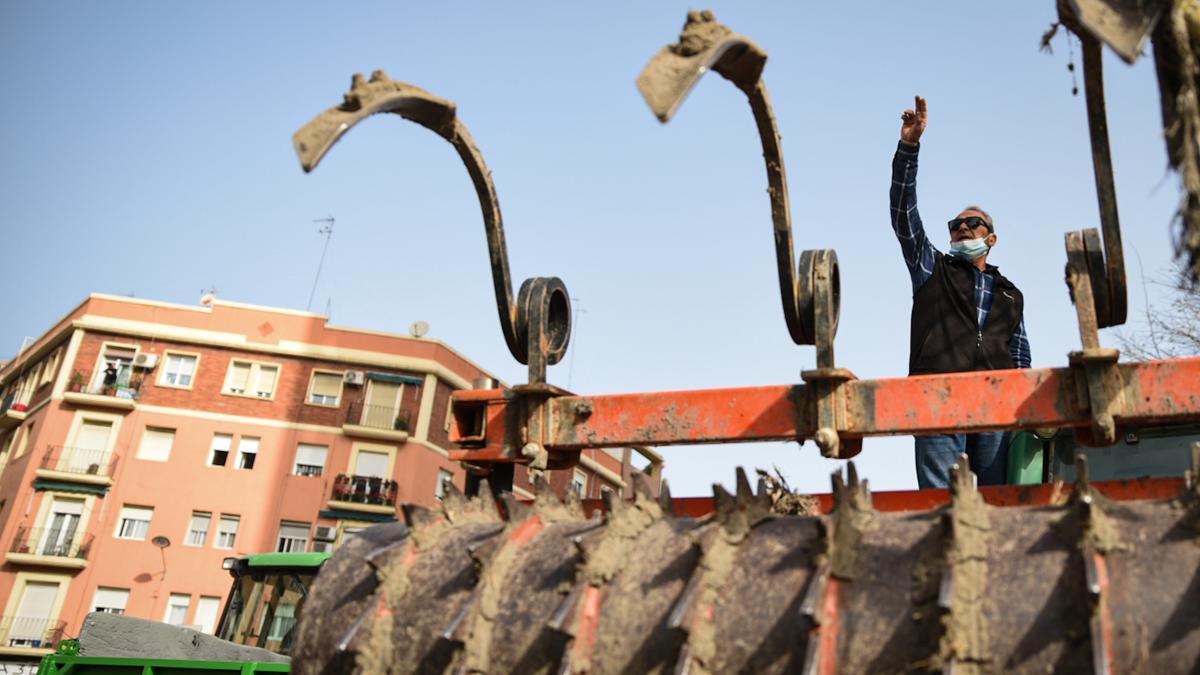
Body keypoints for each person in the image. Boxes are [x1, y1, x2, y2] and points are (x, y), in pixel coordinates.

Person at [889, 95, 1031, 488]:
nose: (962, 228)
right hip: (937, 395)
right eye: (955, 224)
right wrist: (909, 147)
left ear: (992, 238)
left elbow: (1020, 355)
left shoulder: (1010, 294)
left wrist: (1021, 406)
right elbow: (903, 212)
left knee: (994, 502)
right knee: (941, 503)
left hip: (996, 404)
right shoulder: (930, 268)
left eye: (973, 223)